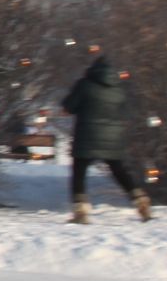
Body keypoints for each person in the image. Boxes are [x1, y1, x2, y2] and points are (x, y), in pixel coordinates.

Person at [62, 54, 153, 224]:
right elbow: (126, 114)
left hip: (87, 134)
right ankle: (140, 200)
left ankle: (80, 210)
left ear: (93, 69)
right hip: (113, 137)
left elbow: (68, 107)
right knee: (119, 170)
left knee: (79, 171)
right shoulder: (119, 89)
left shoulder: (84, 84)